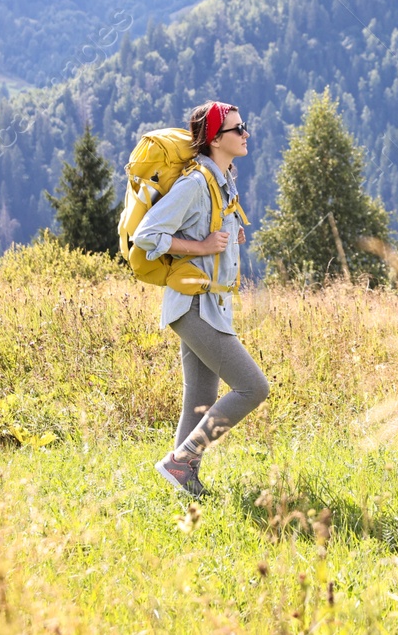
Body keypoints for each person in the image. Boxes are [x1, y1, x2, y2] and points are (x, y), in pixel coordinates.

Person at [132, 100, 270, 498]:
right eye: (237, 130)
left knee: (201, 396)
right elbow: (147, 235)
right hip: (194, 306)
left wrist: (225, 242)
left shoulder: (221, 182)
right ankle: (181, 461)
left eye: (245, 126)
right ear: (214, 139)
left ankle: (182, 483)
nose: (245, 134)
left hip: (207, 304)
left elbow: (209, 236)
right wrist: (202, 245)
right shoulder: (195, 184)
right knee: (252, 387)